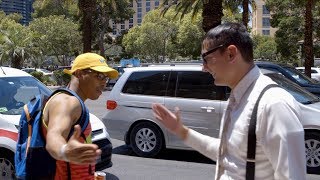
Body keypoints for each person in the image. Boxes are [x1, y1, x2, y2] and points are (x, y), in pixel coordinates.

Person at [152, 22, 306, 180]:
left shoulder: (274, 104)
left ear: (231, 54)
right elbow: (228, 154)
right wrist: (181, 131)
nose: (203, 68)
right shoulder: (237, 98)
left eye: (206, 58)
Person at [42, 52, 118, 179]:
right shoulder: (68, 102)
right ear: (79, 74)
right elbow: (54, 136)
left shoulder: (71, 100)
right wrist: (64, 151)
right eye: (99, 76)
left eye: (106, 78)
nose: (104, 82)